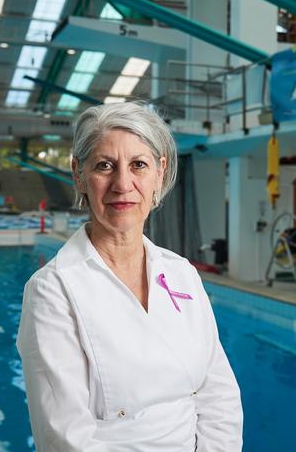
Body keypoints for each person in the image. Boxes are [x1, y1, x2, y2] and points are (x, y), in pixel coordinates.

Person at [17, 102, 243, 451]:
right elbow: (64, 437)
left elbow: (219, 395)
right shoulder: (53, 291)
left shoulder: (182, 273)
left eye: (138, 165)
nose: (123, 184)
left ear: (160, 172)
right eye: (105, 166)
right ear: (79, 174)